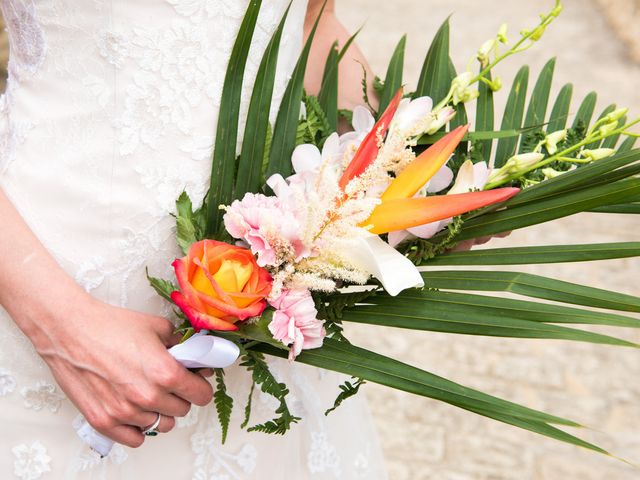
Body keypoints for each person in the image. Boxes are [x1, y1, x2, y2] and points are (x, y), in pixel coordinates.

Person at [0, 0, 387, 478]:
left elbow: (312, 19)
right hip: (50, 299)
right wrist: (61, 330)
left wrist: (403, 168)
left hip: (272, 297)